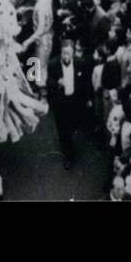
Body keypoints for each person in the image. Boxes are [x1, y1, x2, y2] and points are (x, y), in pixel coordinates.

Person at [47, 38, 92, 169]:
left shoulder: (80, 63)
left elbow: (86, 82)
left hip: (75, 101)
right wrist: (57, 83)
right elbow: (48, 82)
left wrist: (88, 99)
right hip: (61, 102)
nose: (66, 56)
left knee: (73, 125)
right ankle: (69, 156)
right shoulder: (53, 64)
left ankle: (71, 139)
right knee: (63, 130)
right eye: (63, 53)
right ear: (60, 52)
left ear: (73, 54)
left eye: (68, 54)